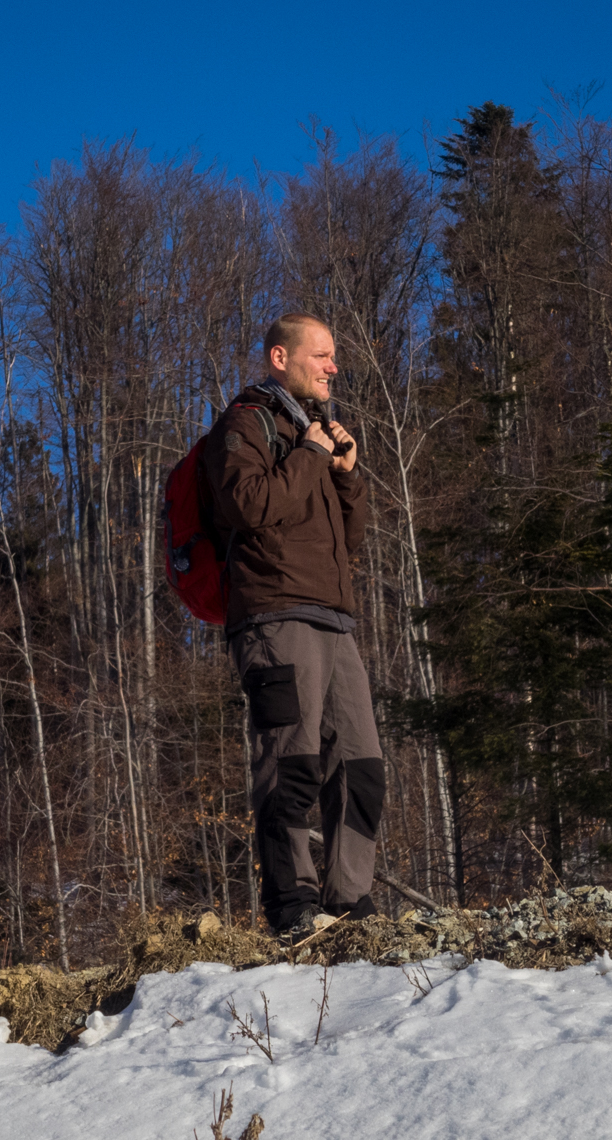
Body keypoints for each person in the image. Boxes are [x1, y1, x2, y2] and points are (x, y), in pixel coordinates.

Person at [203, 313, 385, 937]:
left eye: (335, 356)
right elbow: (249, 505)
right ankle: (293, 905)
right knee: (291, 759)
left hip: (333, 618)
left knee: (360, 764)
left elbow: (349, 540)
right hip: (275, 616)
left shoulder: (315, 436)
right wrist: (310, 452)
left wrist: (347, 475)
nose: (334, 366)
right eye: (323, 354)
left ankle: (349, 903)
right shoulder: (246, 423)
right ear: (280, 358)